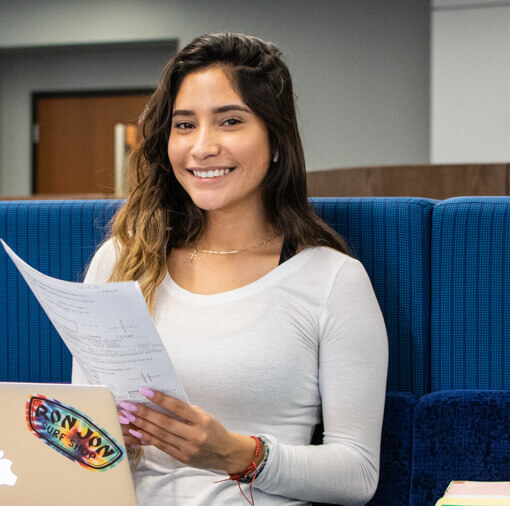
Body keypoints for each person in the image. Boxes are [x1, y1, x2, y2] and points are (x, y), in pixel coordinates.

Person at [74, 33, 387, 506]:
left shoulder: (331, 280)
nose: (201, 147)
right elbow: (83, 446)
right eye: (184, 125)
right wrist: (103, 439)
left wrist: (234, 453)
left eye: (230, 121)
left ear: (277, 140)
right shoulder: (120, 262)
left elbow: (358, 473)